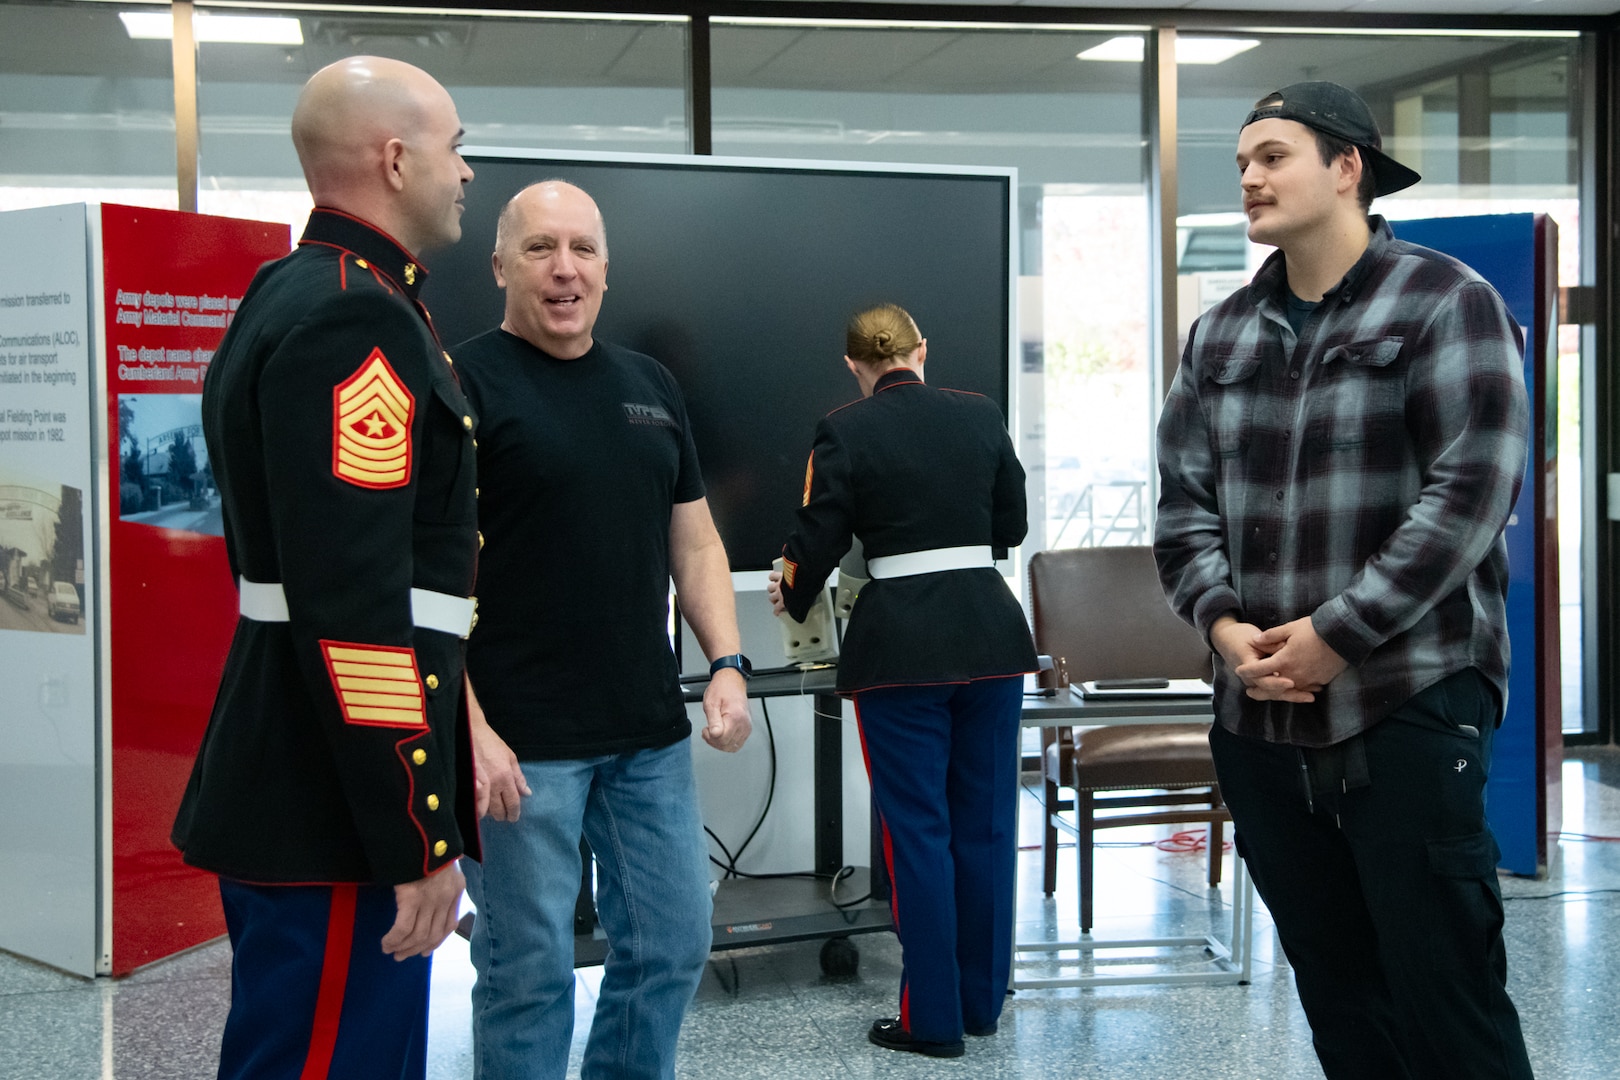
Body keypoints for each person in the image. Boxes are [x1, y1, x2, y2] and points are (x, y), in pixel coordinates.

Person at [1154, 81, 1535, 1079]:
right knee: (1341, 1004)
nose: (1248, 178)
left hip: (1405, 702)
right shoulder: (1220, 335)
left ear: (1347, 167)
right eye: (1241, 162)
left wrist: (1337, 634)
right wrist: (1227, 630)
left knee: (1449, 1003)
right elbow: (1183, 509)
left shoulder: (1448, 303)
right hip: (1260, 726)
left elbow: (1469, 496)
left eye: (1271, 156)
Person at [171, 57, 478, 1080]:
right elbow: (353, 604)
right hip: (335, 801)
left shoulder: (297, 290)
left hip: (304, 771)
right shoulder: (360, 316)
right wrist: (412, 831)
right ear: (395, 159)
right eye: (455, 146)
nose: (467, 171)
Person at [452, 180, 753, 1080]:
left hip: (645, 737)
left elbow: (692, 535)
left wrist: (727, 663)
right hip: (517, 749)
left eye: (583, 249)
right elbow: (414, 579)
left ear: (607, 270)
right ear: (501, 264)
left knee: (671, 945)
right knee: (527, 973)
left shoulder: (649, 385)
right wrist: (466, 729)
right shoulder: (458, 383)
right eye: (541, 248)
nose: (564, 269)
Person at [767, 303, 1036, 1059]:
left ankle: (932, 1019)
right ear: (923, 351)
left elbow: (814, 544)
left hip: (900, 653)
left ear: (853, 367)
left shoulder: (844, 428)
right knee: (986, 826)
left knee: (916, 834)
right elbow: (1009, 528)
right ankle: (981, 1006)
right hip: (992, 638)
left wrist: (789, 587)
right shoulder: (980, 414)